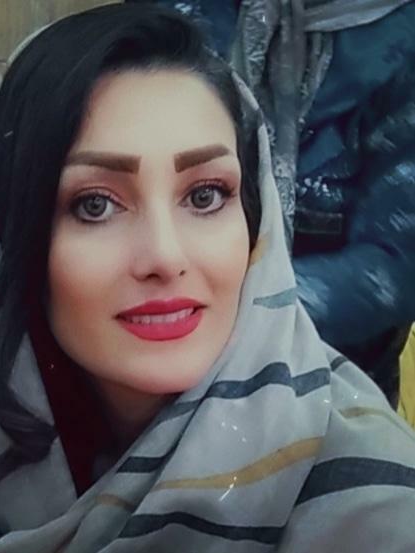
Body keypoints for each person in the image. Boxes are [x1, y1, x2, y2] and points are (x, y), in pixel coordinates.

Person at [0, 5, 415, 552]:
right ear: (11, 238)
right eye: (95, 204)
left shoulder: (371, 510)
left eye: (206, 195)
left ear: (255, 222)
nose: (165, 256)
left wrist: (261, 309)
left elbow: (396, 257)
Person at [133, 0, 415, 403]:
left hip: (323, 380)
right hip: (151, 355)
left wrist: (229, 314)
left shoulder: (400, 43)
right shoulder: (179, 14)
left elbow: (397, 265)